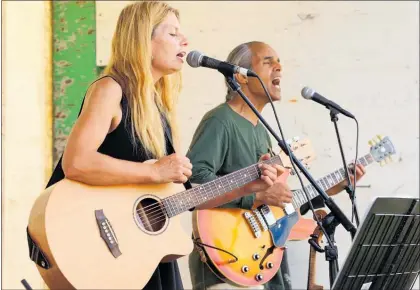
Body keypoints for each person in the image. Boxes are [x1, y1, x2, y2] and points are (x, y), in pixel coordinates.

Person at [44, 4, 282, 290]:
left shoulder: (157, 107)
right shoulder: (110, 89)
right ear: (144, 39)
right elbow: (77, 163)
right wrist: (156, 171)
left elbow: (187, 198)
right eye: (173, 34)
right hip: (99, 243)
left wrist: (247, 186)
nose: (185, 42)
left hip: (143, 250)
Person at [187, 41, 366, 290]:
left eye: (279, 61)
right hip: (226, 260)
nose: (279, 67)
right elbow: (193, 184)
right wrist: (255, 196)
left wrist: (334, 188)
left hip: (259, 261)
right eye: (268, 61)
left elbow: (277, 204)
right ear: (242, 75)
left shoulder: (263, 132)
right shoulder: (220, 120)